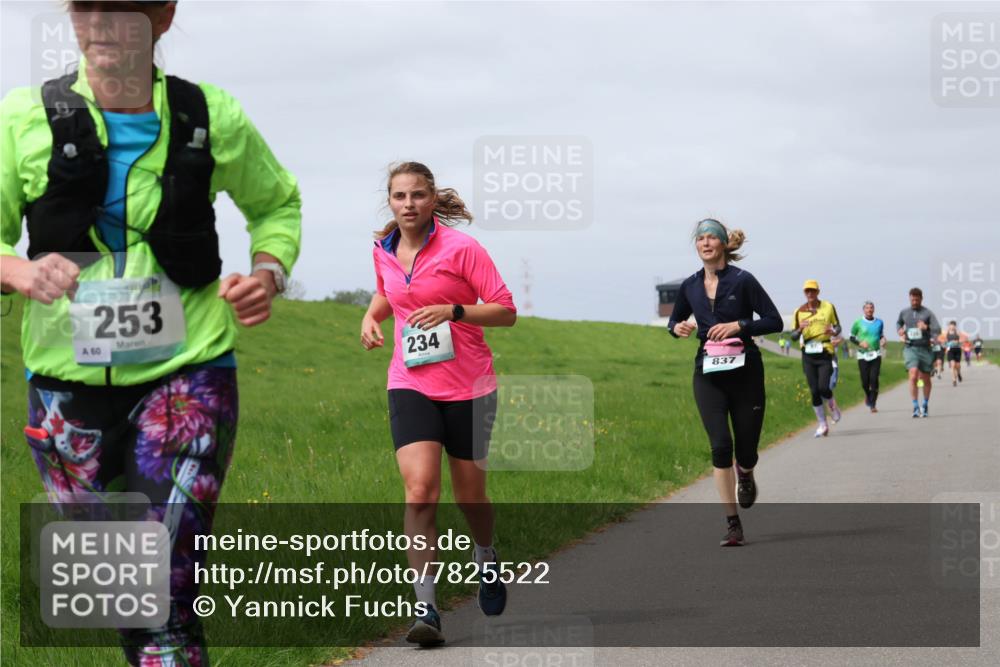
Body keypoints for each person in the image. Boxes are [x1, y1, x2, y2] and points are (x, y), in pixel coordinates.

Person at [0, 2, 301, 664]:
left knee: (163, 583)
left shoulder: (209, 115)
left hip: (188, 372)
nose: (103, 24)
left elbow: (276, 203)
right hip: (63, 389)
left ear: (163, 16)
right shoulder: (22, 117)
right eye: (87, 8)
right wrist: (19, 270)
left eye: (124, 8)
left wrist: (270, 270)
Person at [361, 162, 516, 645]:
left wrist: (454, 310)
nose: (408, 204)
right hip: (410, 382)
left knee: (471, 497)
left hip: (470, 385)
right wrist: (371, 315)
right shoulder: (383, 250)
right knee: (420, 489)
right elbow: (389, 291)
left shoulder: (462, 248)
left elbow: (506, 310)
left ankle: (485, 556)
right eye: (399, 196)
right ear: (390, 201)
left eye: (417, 195)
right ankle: (426, 607)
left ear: (432, 199)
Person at [667, 218, 782, 547]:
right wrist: (677, 328)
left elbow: (773, 321)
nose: (704, 243)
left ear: (722, 244)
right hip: (708, 373)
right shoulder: (689, 286)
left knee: (745, 451)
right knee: (720, 447)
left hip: (745, 373)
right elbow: (674, 320)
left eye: (710, 238)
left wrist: (739, 325)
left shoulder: (744, 281)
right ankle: (733, 524)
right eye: (699, 239)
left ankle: (745, 472)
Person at [793, 280, 843, 437]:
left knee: (823, 387)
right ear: (804, 293)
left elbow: (838, 327)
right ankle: (822, 423)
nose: (810, 294)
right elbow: (793, 336)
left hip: (825, 351)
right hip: (808, 354)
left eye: (813, 291)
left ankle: (833, 407)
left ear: (818, 292)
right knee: (814, 391)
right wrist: (800, 329)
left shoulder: (828, 307)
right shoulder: (799, 311)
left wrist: (833, 331)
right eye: (807, 291)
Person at [896, 288, 941, 418]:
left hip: (925, 348)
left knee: (926, 379)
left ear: (921, 298)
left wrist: (926, 327)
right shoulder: (904, 312)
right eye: (912, 299)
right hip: (910, 348)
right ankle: (915, 406)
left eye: (917, 299)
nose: (914, 301)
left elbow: (937, 330)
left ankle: (925, 404)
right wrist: (900, 330)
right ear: (909, 298)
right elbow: (899, 323)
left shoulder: (927, 313)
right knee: (913, 374)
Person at [849, 301, 887, 413]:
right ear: (864, 310)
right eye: (867, 308)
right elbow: (851, 337)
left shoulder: (879, 322)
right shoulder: (858, 322)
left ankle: (873, 404)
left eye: (871, 308)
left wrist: (883, 340)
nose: (869, 310)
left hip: (876, 354)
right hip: (862, 355)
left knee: (874, 379)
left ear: (873, 309)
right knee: (865, 381)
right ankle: (868, 394)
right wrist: (860, 343)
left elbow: (880, 335)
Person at [939, 321, 968, 387]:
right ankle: (954, 380)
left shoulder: (958, 332)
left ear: (955, 326)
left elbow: (965, 338)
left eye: (953, 325)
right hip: (950, 350)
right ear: (949, 326)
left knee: (957, 365)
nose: (951, 327)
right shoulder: (946, 333)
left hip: (957, 350)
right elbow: (940, 339)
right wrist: (945, 343)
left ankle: (959, 373)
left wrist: (959, 341)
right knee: (952, 365)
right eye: (950, 325)